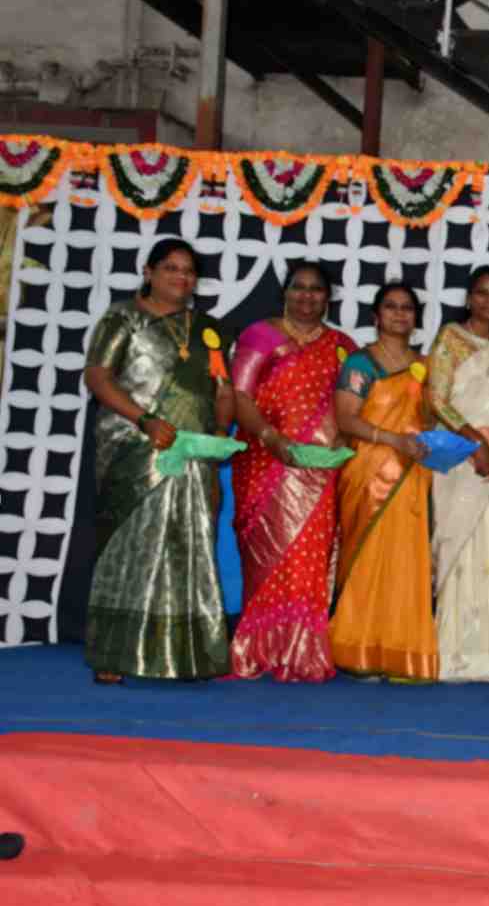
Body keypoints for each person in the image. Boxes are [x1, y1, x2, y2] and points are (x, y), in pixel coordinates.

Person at [82, 238, 235, 682]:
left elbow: (223, 389)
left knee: (190, 546)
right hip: (136, 446)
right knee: (132, 547)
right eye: (171, 268)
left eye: (189, 271)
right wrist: (145, 420)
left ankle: (187, 657)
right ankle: (114, 656)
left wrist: (218, 436)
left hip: (194, 453)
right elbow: (98, 377)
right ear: (148, 272)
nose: (181, 277)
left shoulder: (208, 329)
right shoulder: (123, 317)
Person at [228, 261, 355, 683]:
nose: (307, 296)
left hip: (319, 472)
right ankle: (258, 649)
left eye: (316, 289)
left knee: (308, 562)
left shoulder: (342, 346)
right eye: (299, 287)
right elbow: (240, 396)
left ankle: (301, 650)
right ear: (285, 292)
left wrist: (344, 440)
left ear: (328, 297)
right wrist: (271, 438)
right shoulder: (259, 336)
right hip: (266, 462)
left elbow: (354, 406)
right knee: (266, 558)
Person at [327, 283, 436, 681]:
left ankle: (400, 650)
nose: (399, 314)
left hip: (412, 473)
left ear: (416, 317)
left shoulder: (426, 365)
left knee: (406, 561)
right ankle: (356, 649)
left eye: (407, 307)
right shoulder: (361, 363)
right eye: (391, 306)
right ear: (376, 315)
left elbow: (433, 416)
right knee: (366, 558)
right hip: (368, 471)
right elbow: (346, 419)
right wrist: (393, 440)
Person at [426, 264, 489, 681]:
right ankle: (452, 656)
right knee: (458, 546)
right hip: (460, 458)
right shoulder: (450, 338)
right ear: (469, 298)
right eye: (481, 292)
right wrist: (474, 442)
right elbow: (436, 399)